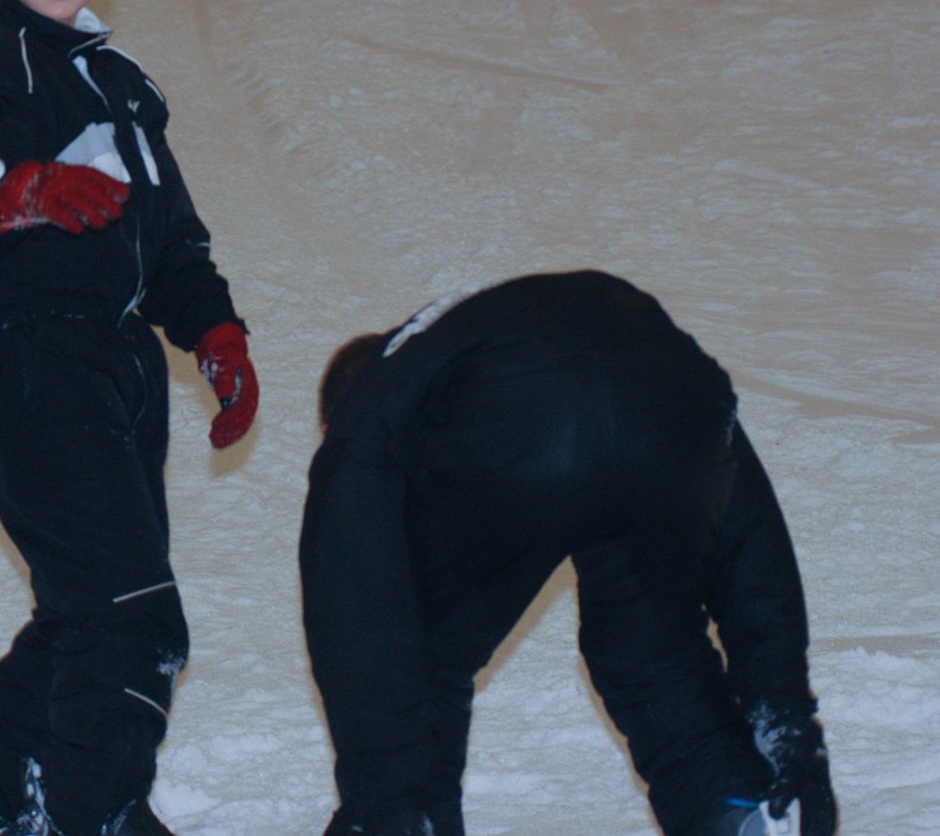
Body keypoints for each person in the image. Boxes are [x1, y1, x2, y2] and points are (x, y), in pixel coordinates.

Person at [0, 0, 260, 836]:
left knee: (88, 602)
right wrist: (18, 188)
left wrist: (216, 332)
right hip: (37, 359)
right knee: (133, 613)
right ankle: (96, 812)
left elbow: (173, 236)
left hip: (121, 365)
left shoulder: (121, 85)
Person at [300, 270, 836, 836]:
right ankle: (742, 812)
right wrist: (785, 722)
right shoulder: (464, 338)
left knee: (422, 654)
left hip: (526, 412)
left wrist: (385, 806)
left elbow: (357, 617)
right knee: (654, 654)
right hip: (671, 386)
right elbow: (749, 538)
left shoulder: (370, 412)